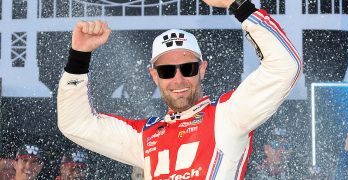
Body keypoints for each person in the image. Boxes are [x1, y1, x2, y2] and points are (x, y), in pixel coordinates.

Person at [57, 0, 302, 179]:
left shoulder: (228, 115)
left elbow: (285, 67)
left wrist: (238, 5)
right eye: (166, 71)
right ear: (154, 76)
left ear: (202, 69)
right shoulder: (145, 135)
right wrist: (79, 57)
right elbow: (76, 124)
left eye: (188, 68)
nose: (178, 78)